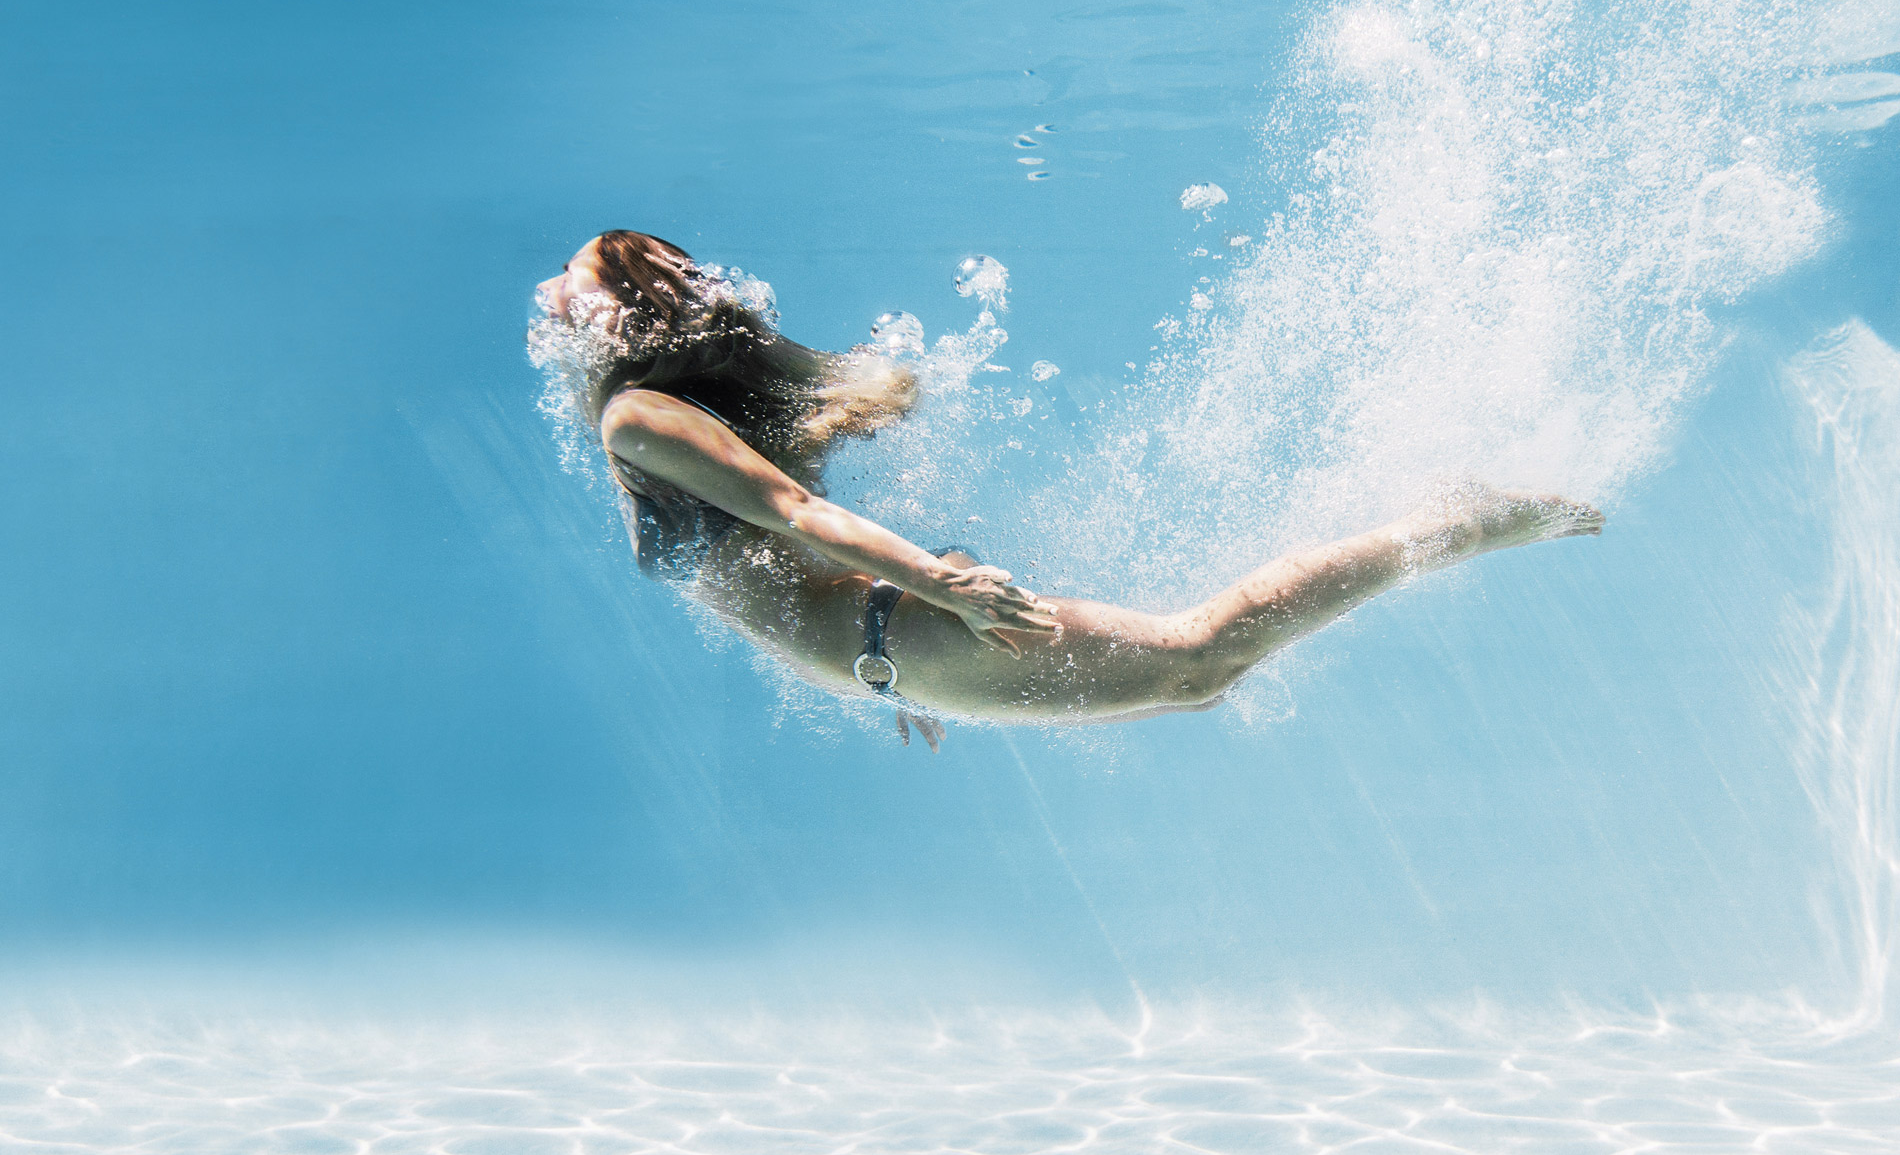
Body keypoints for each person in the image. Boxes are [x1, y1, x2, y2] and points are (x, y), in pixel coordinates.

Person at [532, 231, 1602, 750]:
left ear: (633, 307)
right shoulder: (682, 407)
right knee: (1200, 672)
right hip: (886, 641)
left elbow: (797, 515)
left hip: (899, 623)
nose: (549, 295)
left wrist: (935, 598)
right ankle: (1438, 522)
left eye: (572, 281)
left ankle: (1443, 521)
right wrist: (899, 672)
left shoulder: (636, 417)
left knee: (1197, 661)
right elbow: (802, 520)